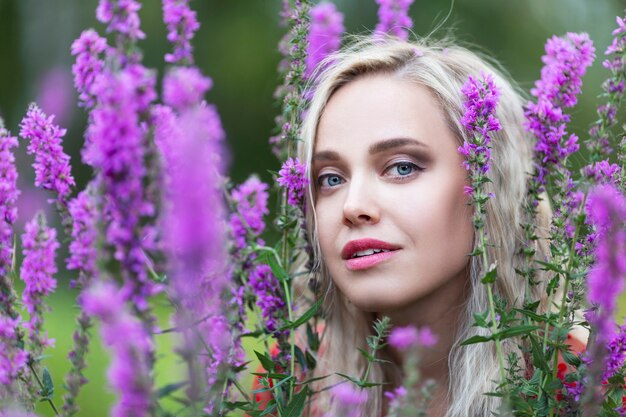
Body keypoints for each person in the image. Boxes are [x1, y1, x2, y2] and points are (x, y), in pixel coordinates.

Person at [290, 36, 587, 417]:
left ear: (489, 184)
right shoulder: (295, 380)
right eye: (330, 178)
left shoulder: (584, 388)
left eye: (401, 167)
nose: (353, 206)